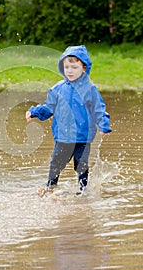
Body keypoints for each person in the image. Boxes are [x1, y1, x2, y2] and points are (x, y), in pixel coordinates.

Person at [25, 45, 112, 195]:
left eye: (74, 67)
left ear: (84, 68)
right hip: (63, 137)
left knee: (81, 165)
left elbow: (98, 109)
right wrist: (34, 112)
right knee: (55, 164)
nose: (70, 71)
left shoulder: (90, 89)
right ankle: (50, 188)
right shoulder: (58, 89)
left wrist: (103, 125)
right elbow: (49, 107)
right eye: (66, 67)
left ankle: (83, 191)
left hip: (83, 138)